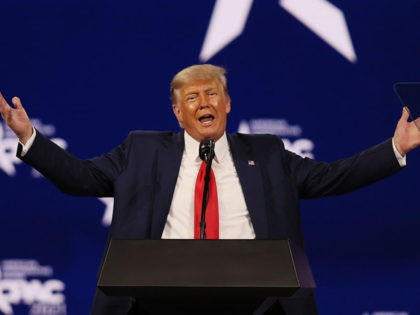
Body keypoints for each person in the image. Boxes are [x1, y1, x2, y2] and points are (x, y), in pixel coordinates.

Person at [0, 64, 419, 315]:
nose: (205, 103)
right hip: (155, 305)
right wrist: (31, 138)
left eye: (212, 94)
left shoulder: (268, 152)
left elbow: (334, 176)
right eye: (193, 97)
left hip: (257, 305)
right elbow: (81, 179)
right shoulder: (142, 150)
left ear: (228, 104)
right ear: (178, 111)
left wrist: (396, 147)